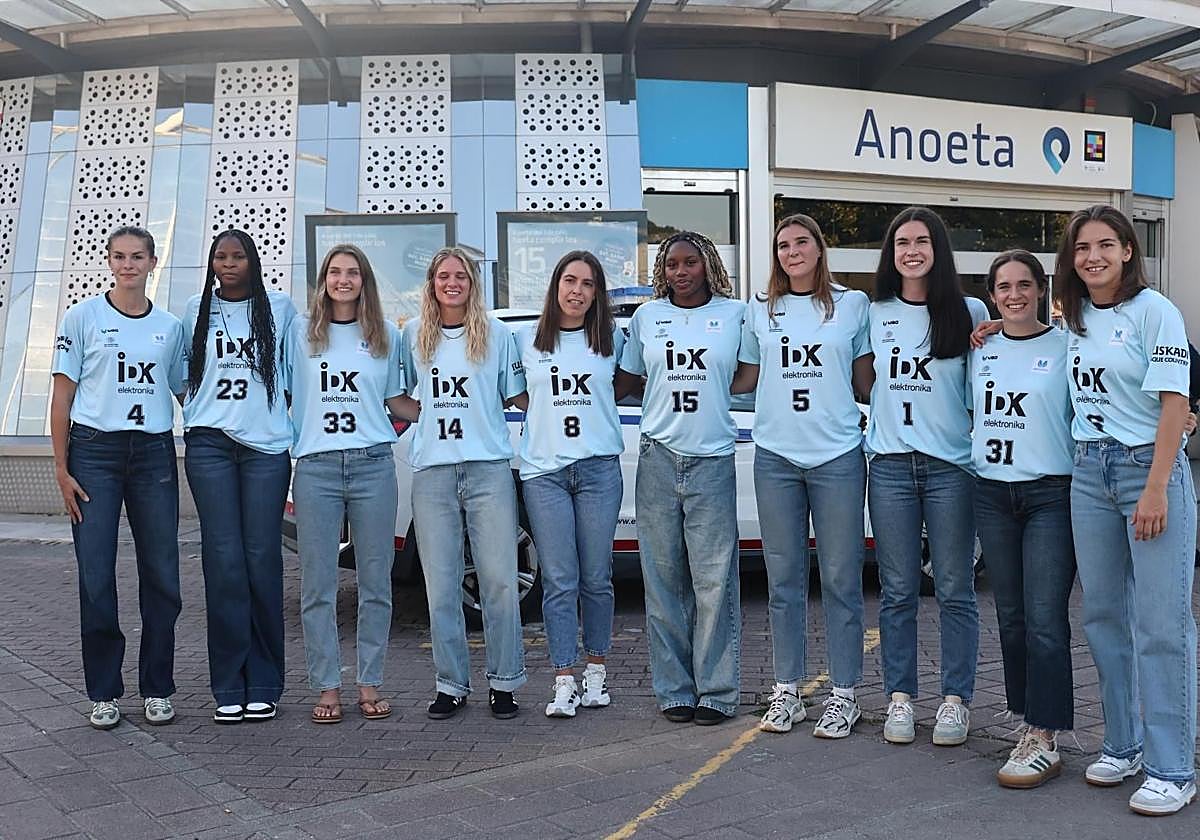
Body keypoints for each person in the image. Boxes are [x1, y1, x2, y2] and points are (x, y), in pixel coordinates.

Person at [1057, 205, 1196, 815]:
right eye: (1082, 248)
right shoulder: (1074, 316)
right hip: (1089, 471)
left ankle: (1173, 767)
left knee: (1162, 625)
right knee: (1104, 616)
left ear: (1128, 251)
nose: (1093, 257)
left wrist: (1158, 487)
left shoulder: (1155, 311)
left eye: (1105, 245)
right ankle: (1123, 743)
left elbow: (1174, 404)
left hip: (1148, 468)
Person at [731, 214, 872, 738]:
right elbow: (745, 376)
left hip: (838, 456)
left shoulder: (853, 304)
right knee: (784, 582)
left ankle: (844, 694)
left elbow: (867, 381)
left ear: (819, 248)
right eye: (783, 245)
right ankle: (786, 690)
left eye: (801, 242)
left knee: (840, 580)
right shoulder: (759, 309)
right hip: (776, 457)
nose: (791, 252)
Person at [50, 226, 186, 730]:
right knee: (96, 575)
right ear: (109, 262)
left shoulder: (170, 328)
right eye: (120, 256)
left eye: (137, 257)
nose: (128, 265)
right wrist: (61, 468)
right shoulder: (82, 318)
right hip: (94, 453)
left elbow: (185, 392)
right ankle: (104, 692)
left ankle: (158, 687)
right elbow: (62, 397)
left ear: (153, 262)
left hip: (152, 453)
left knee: (163, 575)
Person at [864, 206, 989, 747]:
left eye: (921, 241)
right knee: (897, 591)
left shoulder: (969, 310)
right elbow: (862, 380)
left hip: (951, 469)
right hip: (890, 466)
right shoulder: (872, 311)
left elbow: (986, 386)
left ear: (938, 249)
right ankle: (900, 698)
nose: (911, 251)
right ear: (890, 253)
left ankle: (955, 701)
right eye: (901, 242)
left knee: (955, 589)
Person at [617, 231, 745, 726]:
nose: (681, 271)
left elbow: (749, 373)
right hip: (658, 457)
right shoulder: (647, 318)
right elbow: (626, 380)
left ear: (708, 264)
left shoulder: (736, 315)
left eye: (690, 262)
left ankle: (717, 691)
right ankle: (674, 689)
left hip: (712, 458)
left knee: (714, 582)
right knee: (663, 581)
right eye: (672, 264)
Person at [401, 247, 527, 720]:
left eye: (461, 276)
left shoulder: (497, 334)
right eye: (443, 276)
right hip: (433, 472)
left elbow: (517, 396)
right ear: (432, 283)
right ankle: (450, 684)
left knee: (499, 582)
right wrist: (427, 417)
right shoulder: (414, 333)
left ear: (473, 282)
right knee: (441, 586)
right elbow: (395, 394)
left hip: (487, 469)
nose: (452, 283)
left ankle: (504, 682)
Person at [287, 245, 408, 724]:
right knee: (317, 584)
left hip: (373, 464)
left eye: (352, 272)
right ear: (323, 280)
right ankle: (327, 685)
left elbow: (398, 400)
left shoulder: (385, 334)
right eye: (334, 272)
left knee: (376, 582)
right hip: (316, 467)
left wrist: (461, 410)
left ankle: (369, 682)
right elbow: (279, 390)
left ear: (364, 281)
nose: (343, 280)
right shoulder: (300, 332)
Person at [968, 250, 1075, 788]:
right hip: (992, 492)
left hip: (1050, 494)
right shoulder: (979, 349)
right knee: (1010, 616)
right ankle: (1027, 717)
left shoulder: (1067, 345)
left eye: (1024, 284)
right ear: (992, 295)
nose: (1014, 295)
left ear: (1040, 290)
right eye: (1004, 286)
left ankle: (1045, 734)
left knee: (1045, 618)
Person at [182, 229, 296, 724]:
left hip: (265, 449)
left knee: (262, 559)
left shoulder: (280, 309)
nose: (228, 264)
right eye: (220, 257)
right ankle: (229, 684)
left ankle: (265, 683)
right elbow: (181, 375)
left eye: (238, 256)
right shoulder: (196, 310)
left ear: (253, 262)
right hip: (209, 445)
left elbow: (292, 371)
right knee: (224, 561)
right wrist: (204, 410)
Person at [510, 251, 626, 718]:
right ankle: (563, 679)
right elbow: (518, 395)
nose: (577, 291)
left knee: (596, 577)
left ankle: (596, 673)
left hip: (598, 470)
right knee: (559, 580)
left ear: (597, 293)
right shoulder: (526, 339)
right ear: (556, 285)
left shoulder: (613, 339)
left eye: (587, 284)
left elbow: (622, 386)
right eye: (569, 281)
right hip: (545, 474)